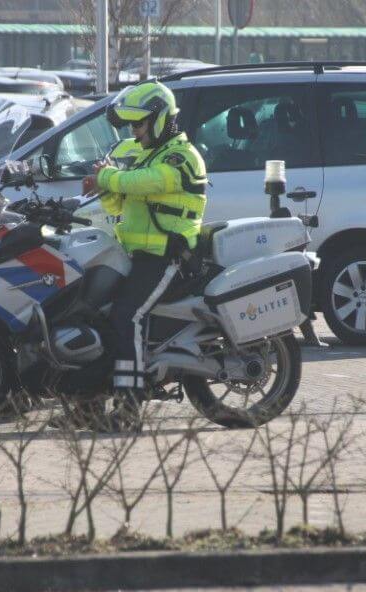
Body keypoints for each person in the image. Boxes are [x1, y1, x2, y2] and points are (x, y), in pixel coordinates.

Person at [82, 81, 208, 430]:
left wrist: (109, 176)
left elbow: (146, 182)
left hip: (167, 257)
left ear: (159, 118)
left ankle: (128, 410)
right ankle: (87, 404)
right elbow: (118, 201)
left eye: (138, 124)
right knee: (94, 312)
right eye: (132, 126)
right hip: (135, 255)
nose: (134, 132)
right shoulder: (144, 154)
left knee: (127, 316)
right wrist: (103, 185)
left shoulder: (181, 156)